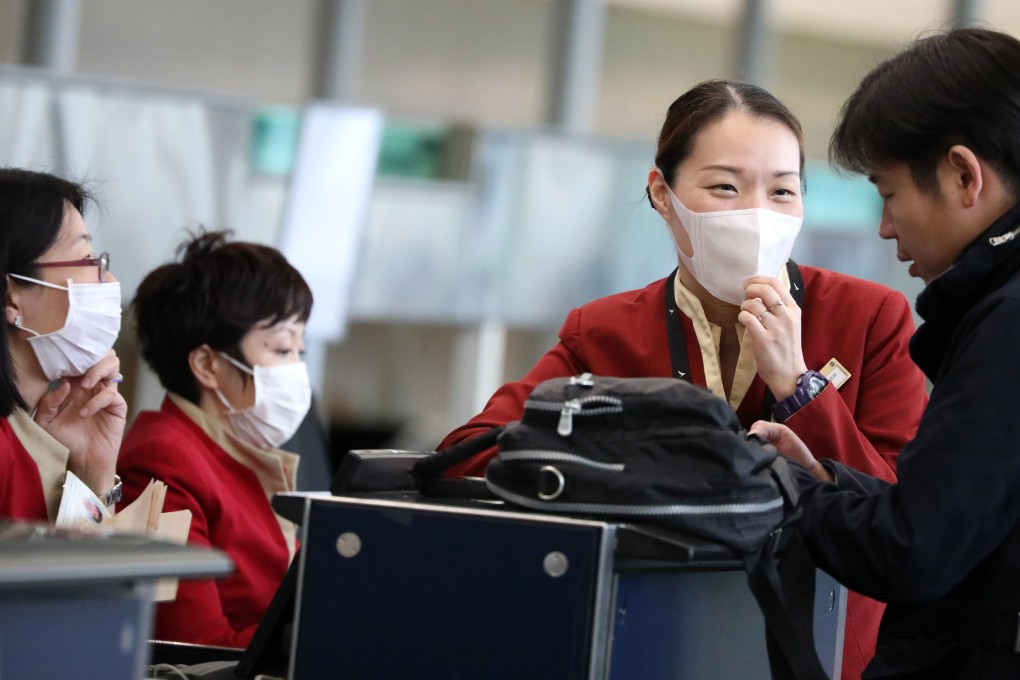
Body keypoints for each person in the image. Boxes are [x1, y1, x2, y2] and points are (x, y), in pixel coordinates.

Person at [437, 80, 929, 678]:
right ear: (662, 193)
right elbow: (470, 450)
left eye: (782, 190)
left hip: (824, 652)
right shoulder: (605, 330)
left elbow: (905, 511)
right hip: (649, 642)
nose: (756, 214)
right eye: (725, 187)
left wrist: (799, 387)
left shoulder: (868, 315)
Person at [749, 27, 1020, 678]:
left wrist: (789, 495)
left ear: (962, 174)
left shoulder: (1006, 322)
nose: (885, 226)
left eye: (889, 192)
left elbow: (916, 547)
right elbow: (962, 511)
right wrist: (825, 481)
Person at [117, 230, 313, 648]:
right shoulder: (160, 463)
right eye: (281, 350)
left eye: (301, 351)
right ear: (207, 364)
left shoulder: (243, 453)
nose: (296, 369)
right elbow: (186, 645)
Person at [0, 168, 125, 521]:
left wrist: (92, 472)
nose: (110, 279)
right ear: (11, 297)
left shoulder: (23, 434)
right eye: (88, 260)